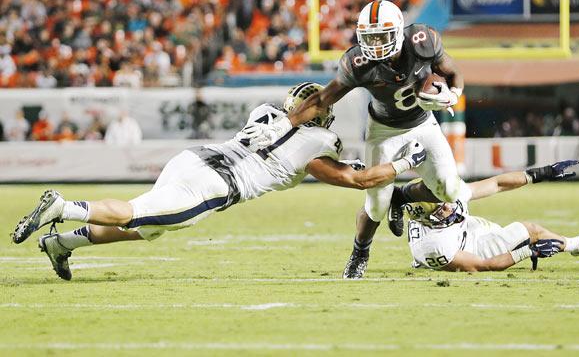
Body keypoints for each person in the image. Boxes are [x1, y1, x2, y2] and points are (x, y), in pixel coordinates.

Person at [11, 83, 427, 281]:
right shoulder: (318, 141)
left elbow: (295, 143)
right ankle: (63, 209)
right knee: (140, 213)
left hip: (194, 158)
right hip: (217, 183)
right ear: (317, 114)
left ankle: (61, 243)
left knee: (151, 229)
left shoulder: (265, 112)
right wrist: (406, 162)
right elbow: (356, 180)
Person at [240, 0, 465, 279]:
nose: (376, 44)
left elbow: (453, 73)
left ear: (397, 31)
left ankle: (403, 195)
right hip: (383, 130)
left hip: (424, 123)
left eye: (382, 36)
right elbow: (322, 99)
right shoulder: (358, 62)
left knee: (449, 191)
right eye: (370, 38)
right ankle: (360, 251)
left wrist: (452, 94)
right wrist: (283, 125)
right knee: (376, 204)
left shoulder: (423, 40)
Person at [399, 160, 579, 272]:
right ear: (430, 218)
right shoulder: (434, 245)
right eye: (442, 207)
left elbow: (497, 184)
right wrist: (529, 251)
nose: (450, 205)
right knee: (531, 231)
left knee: (494, 229)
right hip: (464, 250)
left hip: (463, 232)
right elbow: (483, 265)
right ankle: (578, 245)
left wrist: (541, 173)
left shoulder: (441, 198)